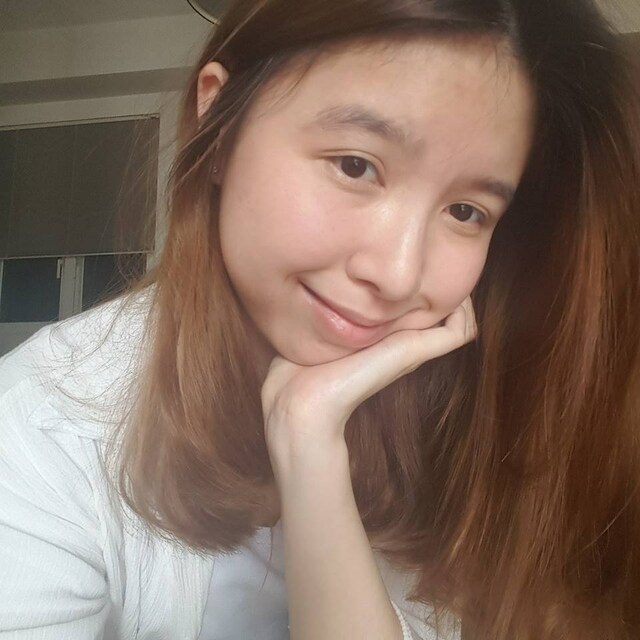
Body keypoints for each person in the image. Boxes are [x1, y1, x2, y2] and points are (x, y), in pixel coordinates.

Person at [1, 0, 639, 638]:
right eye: (356, 165)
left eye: (466, 212)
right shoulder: (43, 429)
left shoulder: (482, 421)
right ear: (219, 123)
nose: (399, 274)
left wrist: (309, 445)